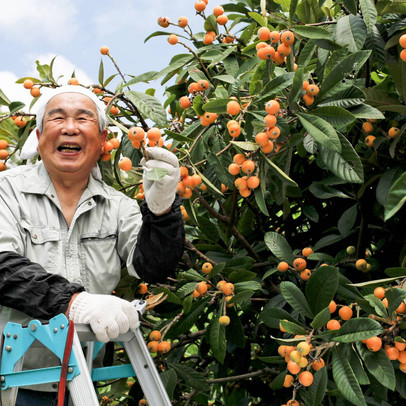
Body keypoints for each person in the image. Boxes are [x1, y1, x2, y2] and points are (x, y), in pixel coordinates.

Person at [0, 86, 184, 404]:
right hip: (11, 378)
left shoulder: (118, 207)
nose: (70, 127)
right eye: (57, 117)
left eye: (83, 118)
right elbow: (3, 267)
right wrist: (74, 303)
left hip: (81, 383)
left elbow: (154, 267)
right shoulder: (6, 192)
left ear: (101, 140)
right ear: (39, 136)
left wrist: (162, 211)